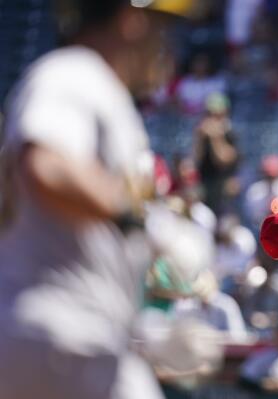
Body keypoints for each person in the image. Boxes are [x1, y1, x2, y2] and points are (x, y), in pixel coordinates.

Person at [0, 1, 202, 398]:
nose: (167, 46)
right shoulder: (74, 71)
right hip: (60, 329)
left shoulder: (96, 89)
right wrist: (145, 222)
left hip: (69, 333)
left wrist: (148, 334)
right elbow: (46, 167)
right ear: (131, 20)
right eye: (162, 28)